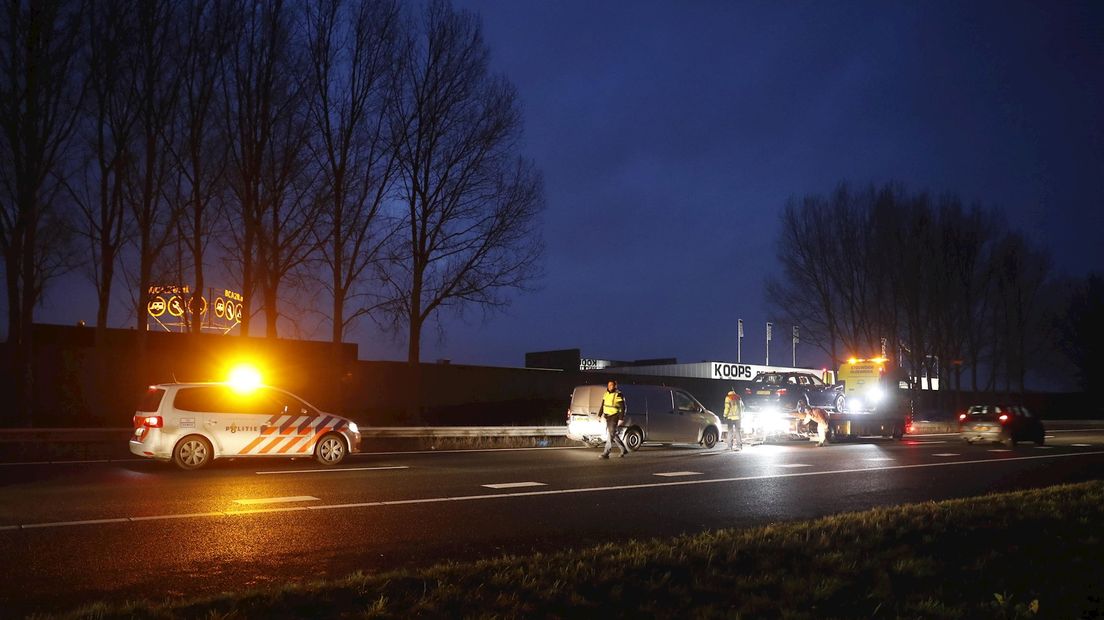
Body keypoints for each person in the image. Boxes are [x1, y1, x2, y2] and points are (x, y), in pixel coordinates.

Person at [599, 380, 628, 458]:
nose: (609, 386)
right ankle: (623, 449)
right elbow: (603, 405)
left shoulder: (618, 394)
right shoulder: (606, 394)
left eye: (611, 385)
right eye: (608, 385)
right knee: (613, 434)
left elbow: (622, 407)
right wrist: (599, 415)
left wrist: (621, 418)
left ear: (615, 386)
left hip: (614, 416)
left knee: (610, 434)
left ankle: (606, 453)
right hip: (607, 416)